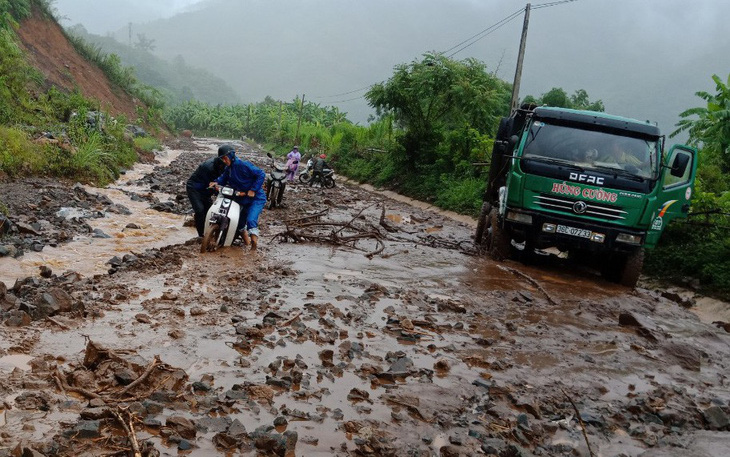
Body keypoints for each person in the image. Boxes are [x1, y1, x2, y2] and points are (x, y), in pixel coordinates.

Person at [215, 146, 267, 251]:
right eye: (222, 159)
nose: (224, 161)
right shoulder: (228, 169)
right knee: (239, 223)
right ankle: (247, 244)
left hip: (256, 198)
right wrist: (216, 182)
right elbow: (223, 179)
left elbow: (261, 174)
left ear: (231, 155)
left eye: (225, 158)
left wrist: (253, 190)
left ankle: (254, 248)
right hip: (242, 198)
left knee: (251, 220)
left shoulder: (243, 165)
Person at [186, 145, 228, 237]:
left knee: (210, 212)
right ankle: (201, 235)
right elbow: (211, 184)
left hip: (206, 190)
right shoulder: (208, 167)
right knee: (200, 210)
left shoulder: (225, 166)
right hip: (194, 189)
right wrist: (218, 190)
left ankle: (209, 232)